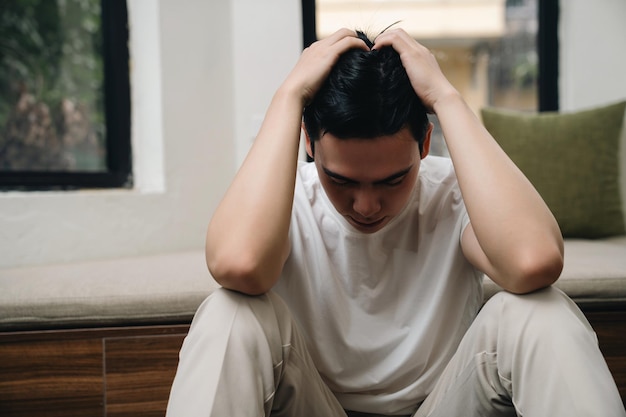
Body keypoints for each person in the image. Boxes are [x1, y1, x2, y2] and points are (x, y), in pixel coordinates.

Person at [166, 28, 626, 417]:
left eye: (393, 179)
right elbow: (239, 264)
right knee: (230, 313)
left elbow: (534, 262)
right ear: (308, 143)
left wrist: (446, 97)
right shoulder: (285, 203)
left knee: (539, 311)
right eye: (340, 179)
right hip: (315, 404)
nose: (366, 206)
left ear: (425, 144)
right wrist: (288, 96)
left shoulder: (454, 191)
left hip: (444, 405)